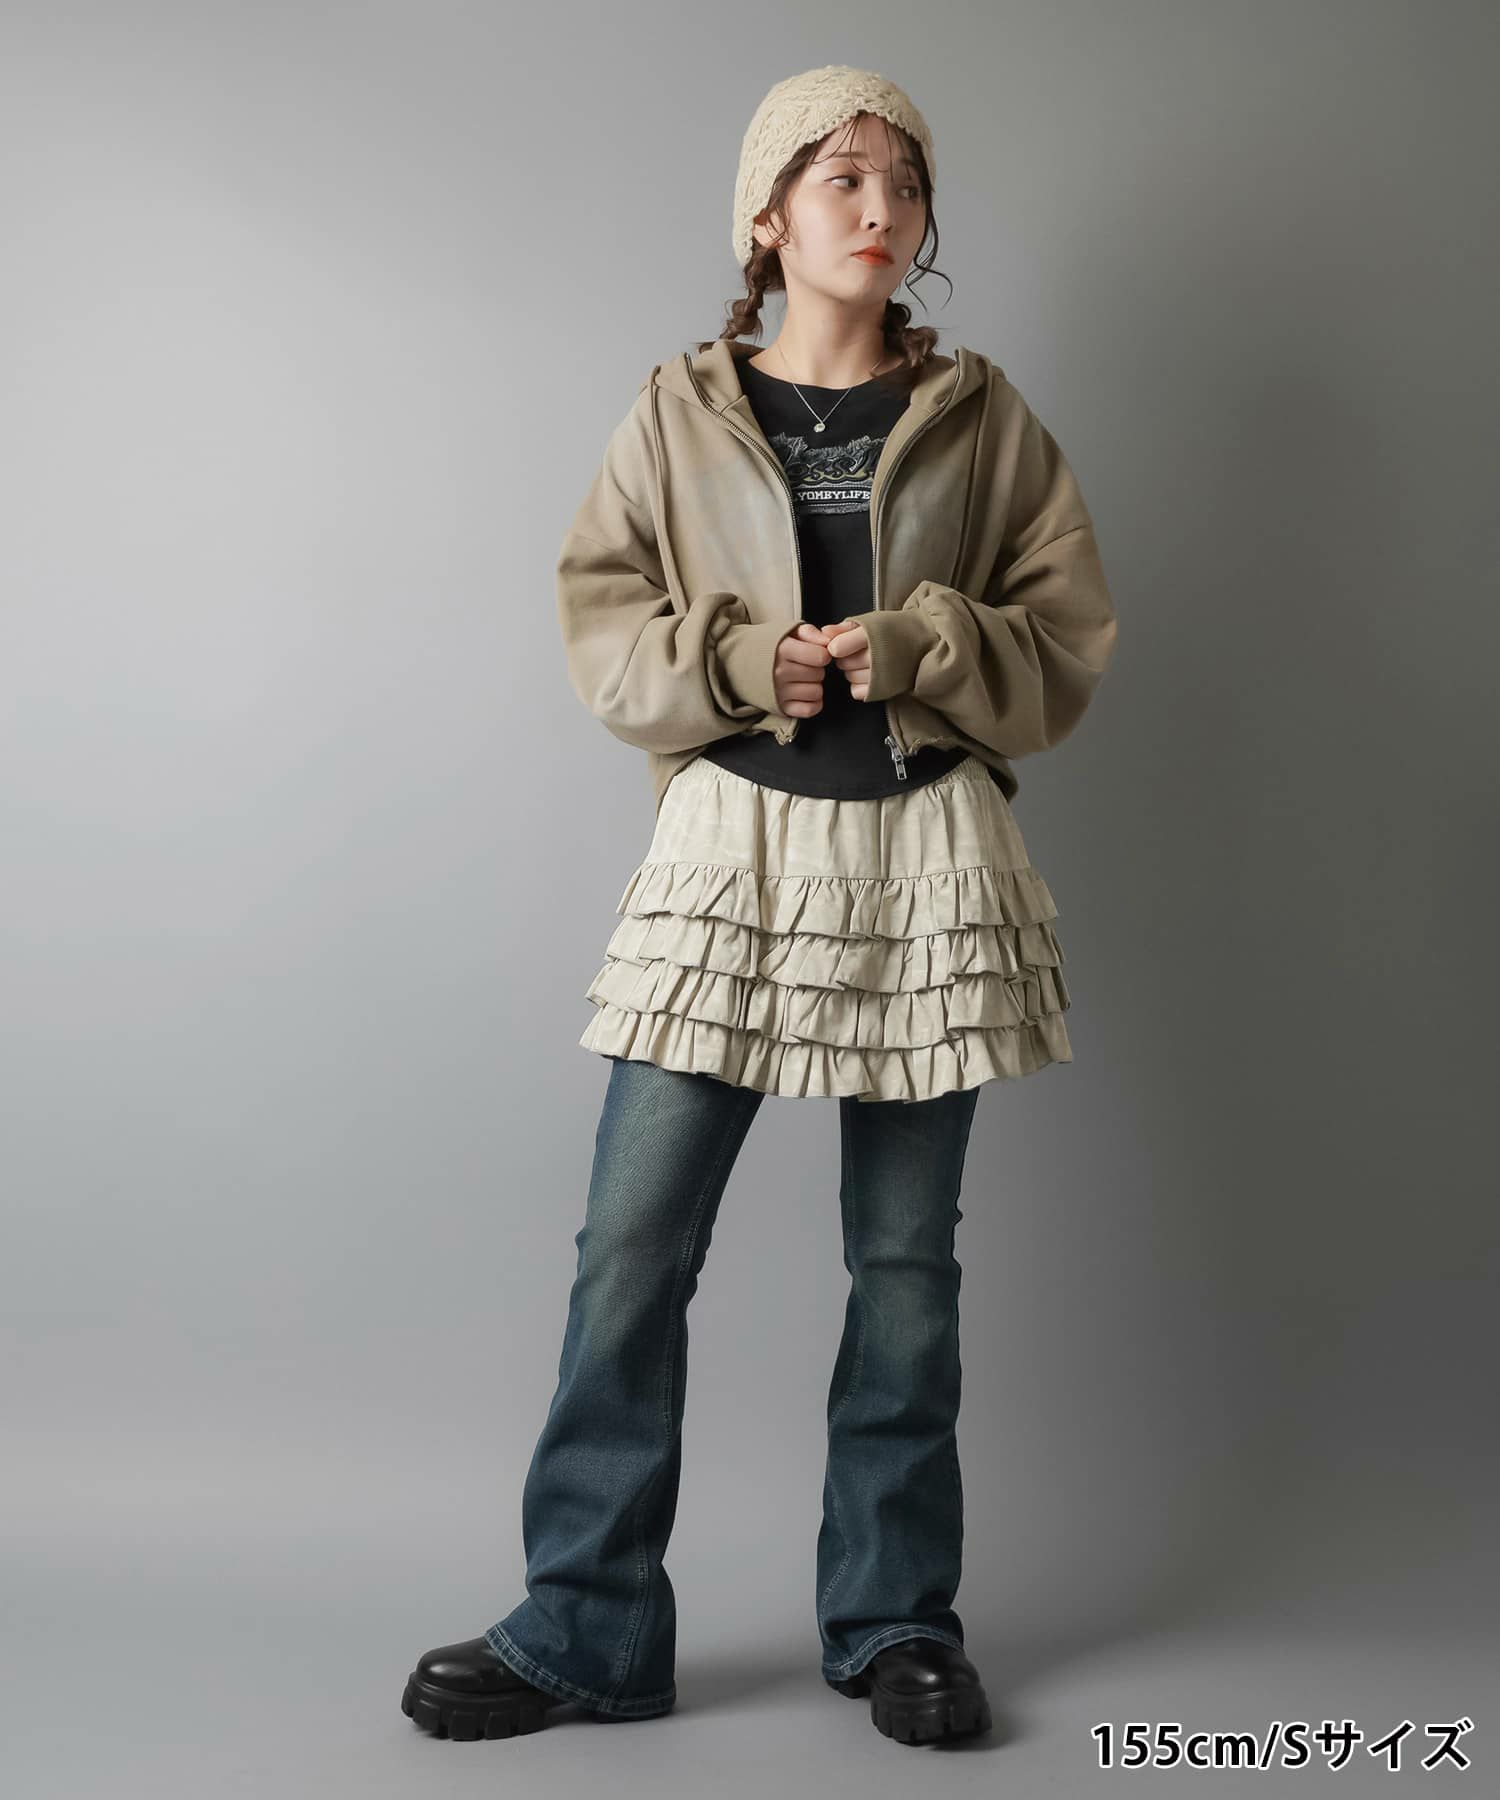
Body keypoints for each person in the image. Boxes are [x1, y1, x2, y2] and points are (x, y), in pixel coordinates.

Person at [401, 63, 1118, 1748]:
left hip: (927, 859)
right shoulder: (680, 410)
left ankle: (895, 1619)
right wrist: (740, 664)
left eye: (905, 184)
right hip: (728, 859)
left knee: (905, 1267)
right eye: (842, 177)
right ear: (768, 214)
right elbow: (605, 623)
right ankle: (587, 1623)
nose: (882, 210)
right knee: (631, 1246)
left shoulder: (986, 419)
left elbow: (1064, 642)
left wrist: (923, 644)